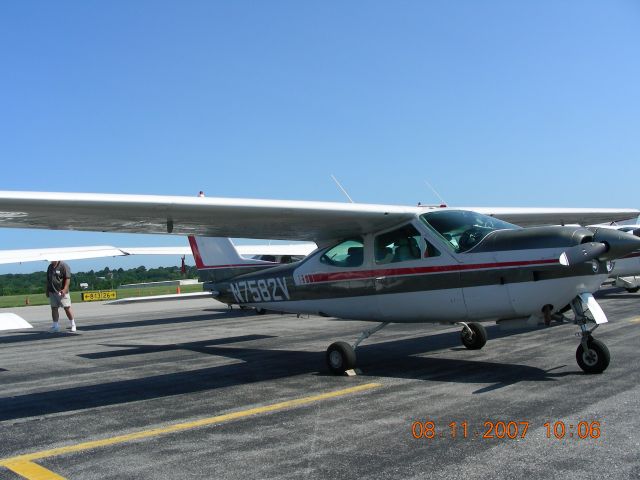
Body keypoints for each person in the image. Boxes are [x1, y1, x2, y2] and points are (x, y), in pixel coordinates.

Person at [46, 260, 76, 333]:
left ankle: (73, 324)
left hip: (61, 292)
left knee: (67, 307)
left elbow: (67, 278)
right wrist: (47, 290)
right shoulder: (50, 267)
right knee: (54, 308)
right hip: (52, 291)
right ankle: (55, 326)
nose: (50, 261)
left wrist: (65, 289)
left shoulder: (64, 265)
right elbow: (48, 280)